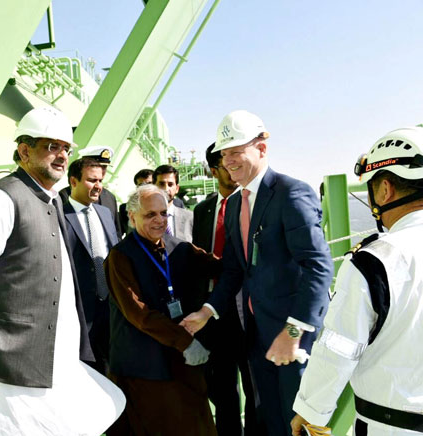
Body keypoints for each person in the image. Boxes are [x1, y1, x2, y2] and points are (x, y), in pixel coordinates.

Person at [0, 107, 125, 436]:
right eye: (52, 146)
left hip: (57, 364)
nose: (62, 156)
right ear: (24, 150)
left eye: (66, 148)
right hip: (12, 372)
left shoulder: (50, 201)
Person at [181, 110, 334, 435]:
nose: (229, 161)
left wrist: (292, 334)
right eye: (225, 154)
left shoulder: (291, 194)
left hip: (293, 338)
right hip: (259, 336)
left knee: (300, 424)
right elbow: (235, 269)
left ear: (262, 149)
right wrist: (208, 311)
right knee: (273, 421)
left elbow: (318, 267)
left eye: (236, 151)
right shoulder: (237, 203)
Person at [291, 126, 423, 436]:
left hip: (389, 427)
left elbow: (339, 347)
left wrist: (311, 413)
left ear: (385, 189)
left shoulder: (373, 261)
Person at [104, 183, 222, 436]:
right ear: (132, 216)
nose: (159, 220)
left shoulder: (178, 247)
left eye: (163, 213)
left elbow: (221, 268)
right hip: (144, 369)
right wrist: (186, 343)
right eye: (150, 215)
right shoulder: (120, 256)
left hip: (180, 363)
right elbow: (139, 314)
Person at [193, 142, 259, 436]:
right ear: (212, 169)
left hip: (246, 308)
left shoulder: (249, 205)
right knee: (221, 387)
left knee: (253, 382)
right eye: (224, 165)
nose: (232, 171)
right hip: (212, 310)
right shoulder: (203, 210)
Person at [63, 157, 119, 375]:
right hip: (80, 313)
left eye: (100, 180)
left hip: (110, 308)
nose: (98, 186)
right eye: (91, 180)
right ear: (73, 181)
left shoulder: (105, 212)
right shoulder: (60, 213)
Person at [59, 145, 123, 239]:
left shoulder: (110, 197)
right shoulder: (64, 195)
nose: (101, 170)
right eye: (97, 165)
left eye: (105, 167)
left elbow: (116, 233)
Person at [154, 164, 193, 241]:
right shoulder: (144, 218)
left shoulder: (190, 218)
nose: (166, 189)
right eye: (161, 184)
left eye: (170, 184)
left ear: (177, 188)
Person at [120, 168, 154, 236]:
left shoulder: (169, 205)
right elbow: (118, 233)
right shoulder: (125, 209)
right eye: (141, 185)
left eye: (150, 183)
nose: (146, 187)